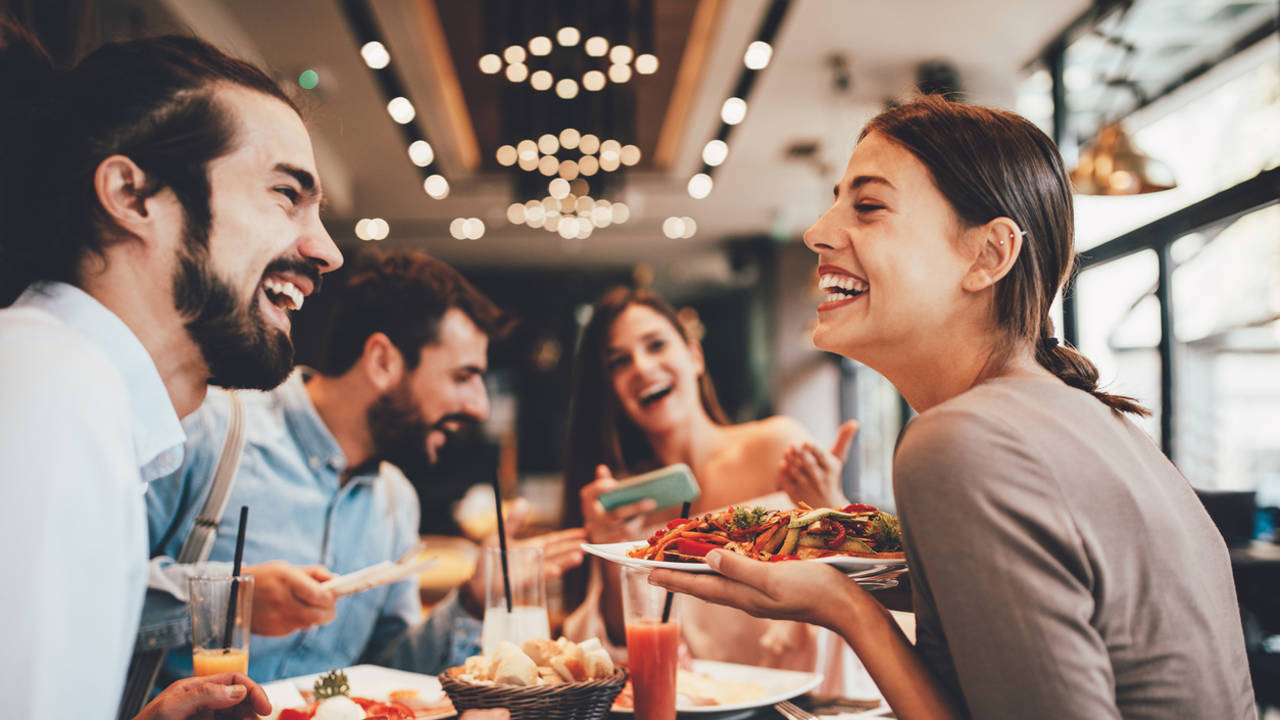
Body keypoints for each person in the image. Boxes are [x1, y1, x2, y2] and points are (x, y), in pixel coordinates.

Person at [649, 95, 1256, 720]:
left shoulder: (962, 439)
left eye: (868, 206)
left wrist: (847, 608)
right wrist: (856, 564)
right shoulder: (1090, 420)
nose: (818, 232)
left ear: (989, 255)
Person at [0, 18, 342, 719]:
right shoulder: (54, 390)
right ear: (132, 196)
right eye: (286, 194)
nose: (327, 250)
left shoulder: (72, 387)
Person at [143, 251, 587, 686]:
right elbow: (89, 589)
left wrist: (472, 601)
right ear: (382, 362)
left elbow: (391, 671)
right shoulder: (207, 430)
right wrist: (232, 601)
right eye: (462, 376)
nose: (479, 405)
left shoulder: (395, 500)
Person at [560, 287, 858, 682]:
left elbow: (852, 594)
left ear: (694, 356)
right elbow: (622, 644)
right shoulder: (625, 506)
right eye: (619, 361)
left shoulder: (776, 447)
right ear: (610, 390)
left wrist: (833, 506)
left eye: (656, 345)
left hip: (807, 699)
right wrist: (610, 560)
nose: (642, 367)